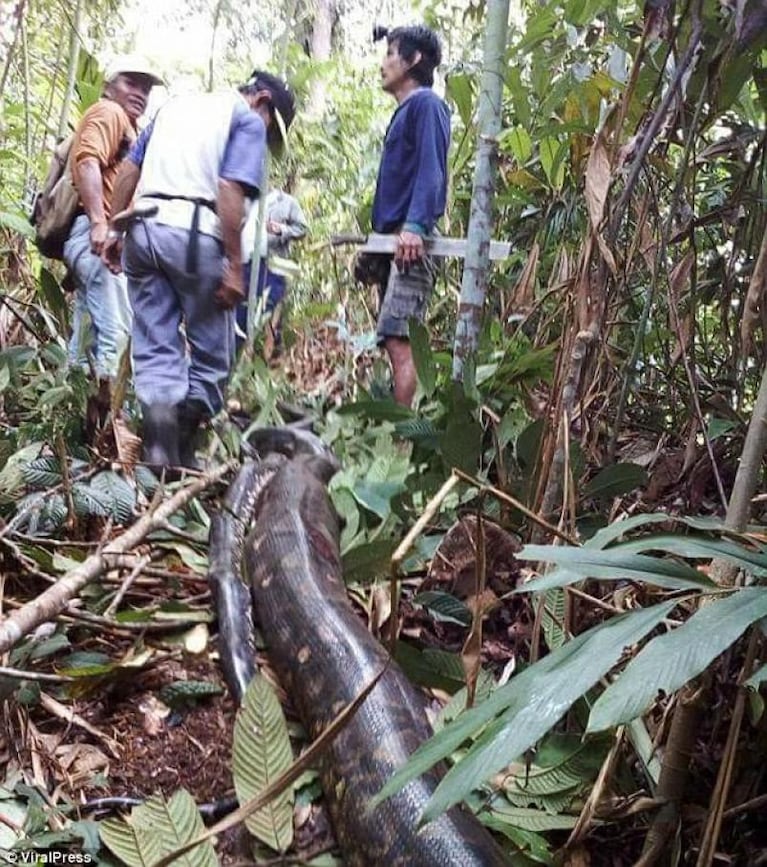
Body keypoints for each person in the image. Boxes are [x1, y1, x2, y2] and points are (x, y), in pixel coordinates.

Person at [103, 70, 295, 474]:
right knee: (213, 354)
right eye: (271, 127)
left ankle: (158, 452)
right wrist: (235, 267)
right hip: (192, 235)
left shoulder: (174, 108)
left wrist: (113, 230)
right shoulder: (243, 119)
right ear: (261, 100)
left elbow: (129, 172)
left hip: (143, 229)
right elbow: (228, 189)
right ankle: (183, 447)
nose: (267, 137)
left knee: (155, 344)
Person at [64, 54, 162, 432]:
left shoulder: (129, 127)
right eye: (131, 82)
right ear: (109, 86)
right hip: (95, 239)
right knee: (117, 335)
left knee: (86, 339)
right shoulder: (109, 113)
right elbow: (87, 161)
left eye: (146, 87)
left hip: (89, 241)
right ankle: (108, 434)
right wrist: (100, 224)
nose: (140, 92)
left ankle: (71, 426)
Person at [366, 24, 450, 407]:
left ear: (414, 59)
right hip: (395, 244)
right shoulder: (405, 112)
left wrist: (415, 226)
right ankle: (400, 434)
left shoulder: (426, 105)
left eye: (390, 53)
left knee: (401, 342)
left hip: (410, 244)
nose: (383, 63)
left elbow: (432, 169)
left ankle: (401, 447)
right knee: (392, 339)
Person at [238, 187, 308, 354]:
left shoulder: (285, 201)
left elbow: (302, 228)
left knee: (268, 312)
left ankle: (267, 357)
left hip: (271, 265)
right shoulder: (248, 199)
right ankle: (239, 360)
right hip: (244, 264)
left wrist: (282, 229)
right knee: (240, 315)